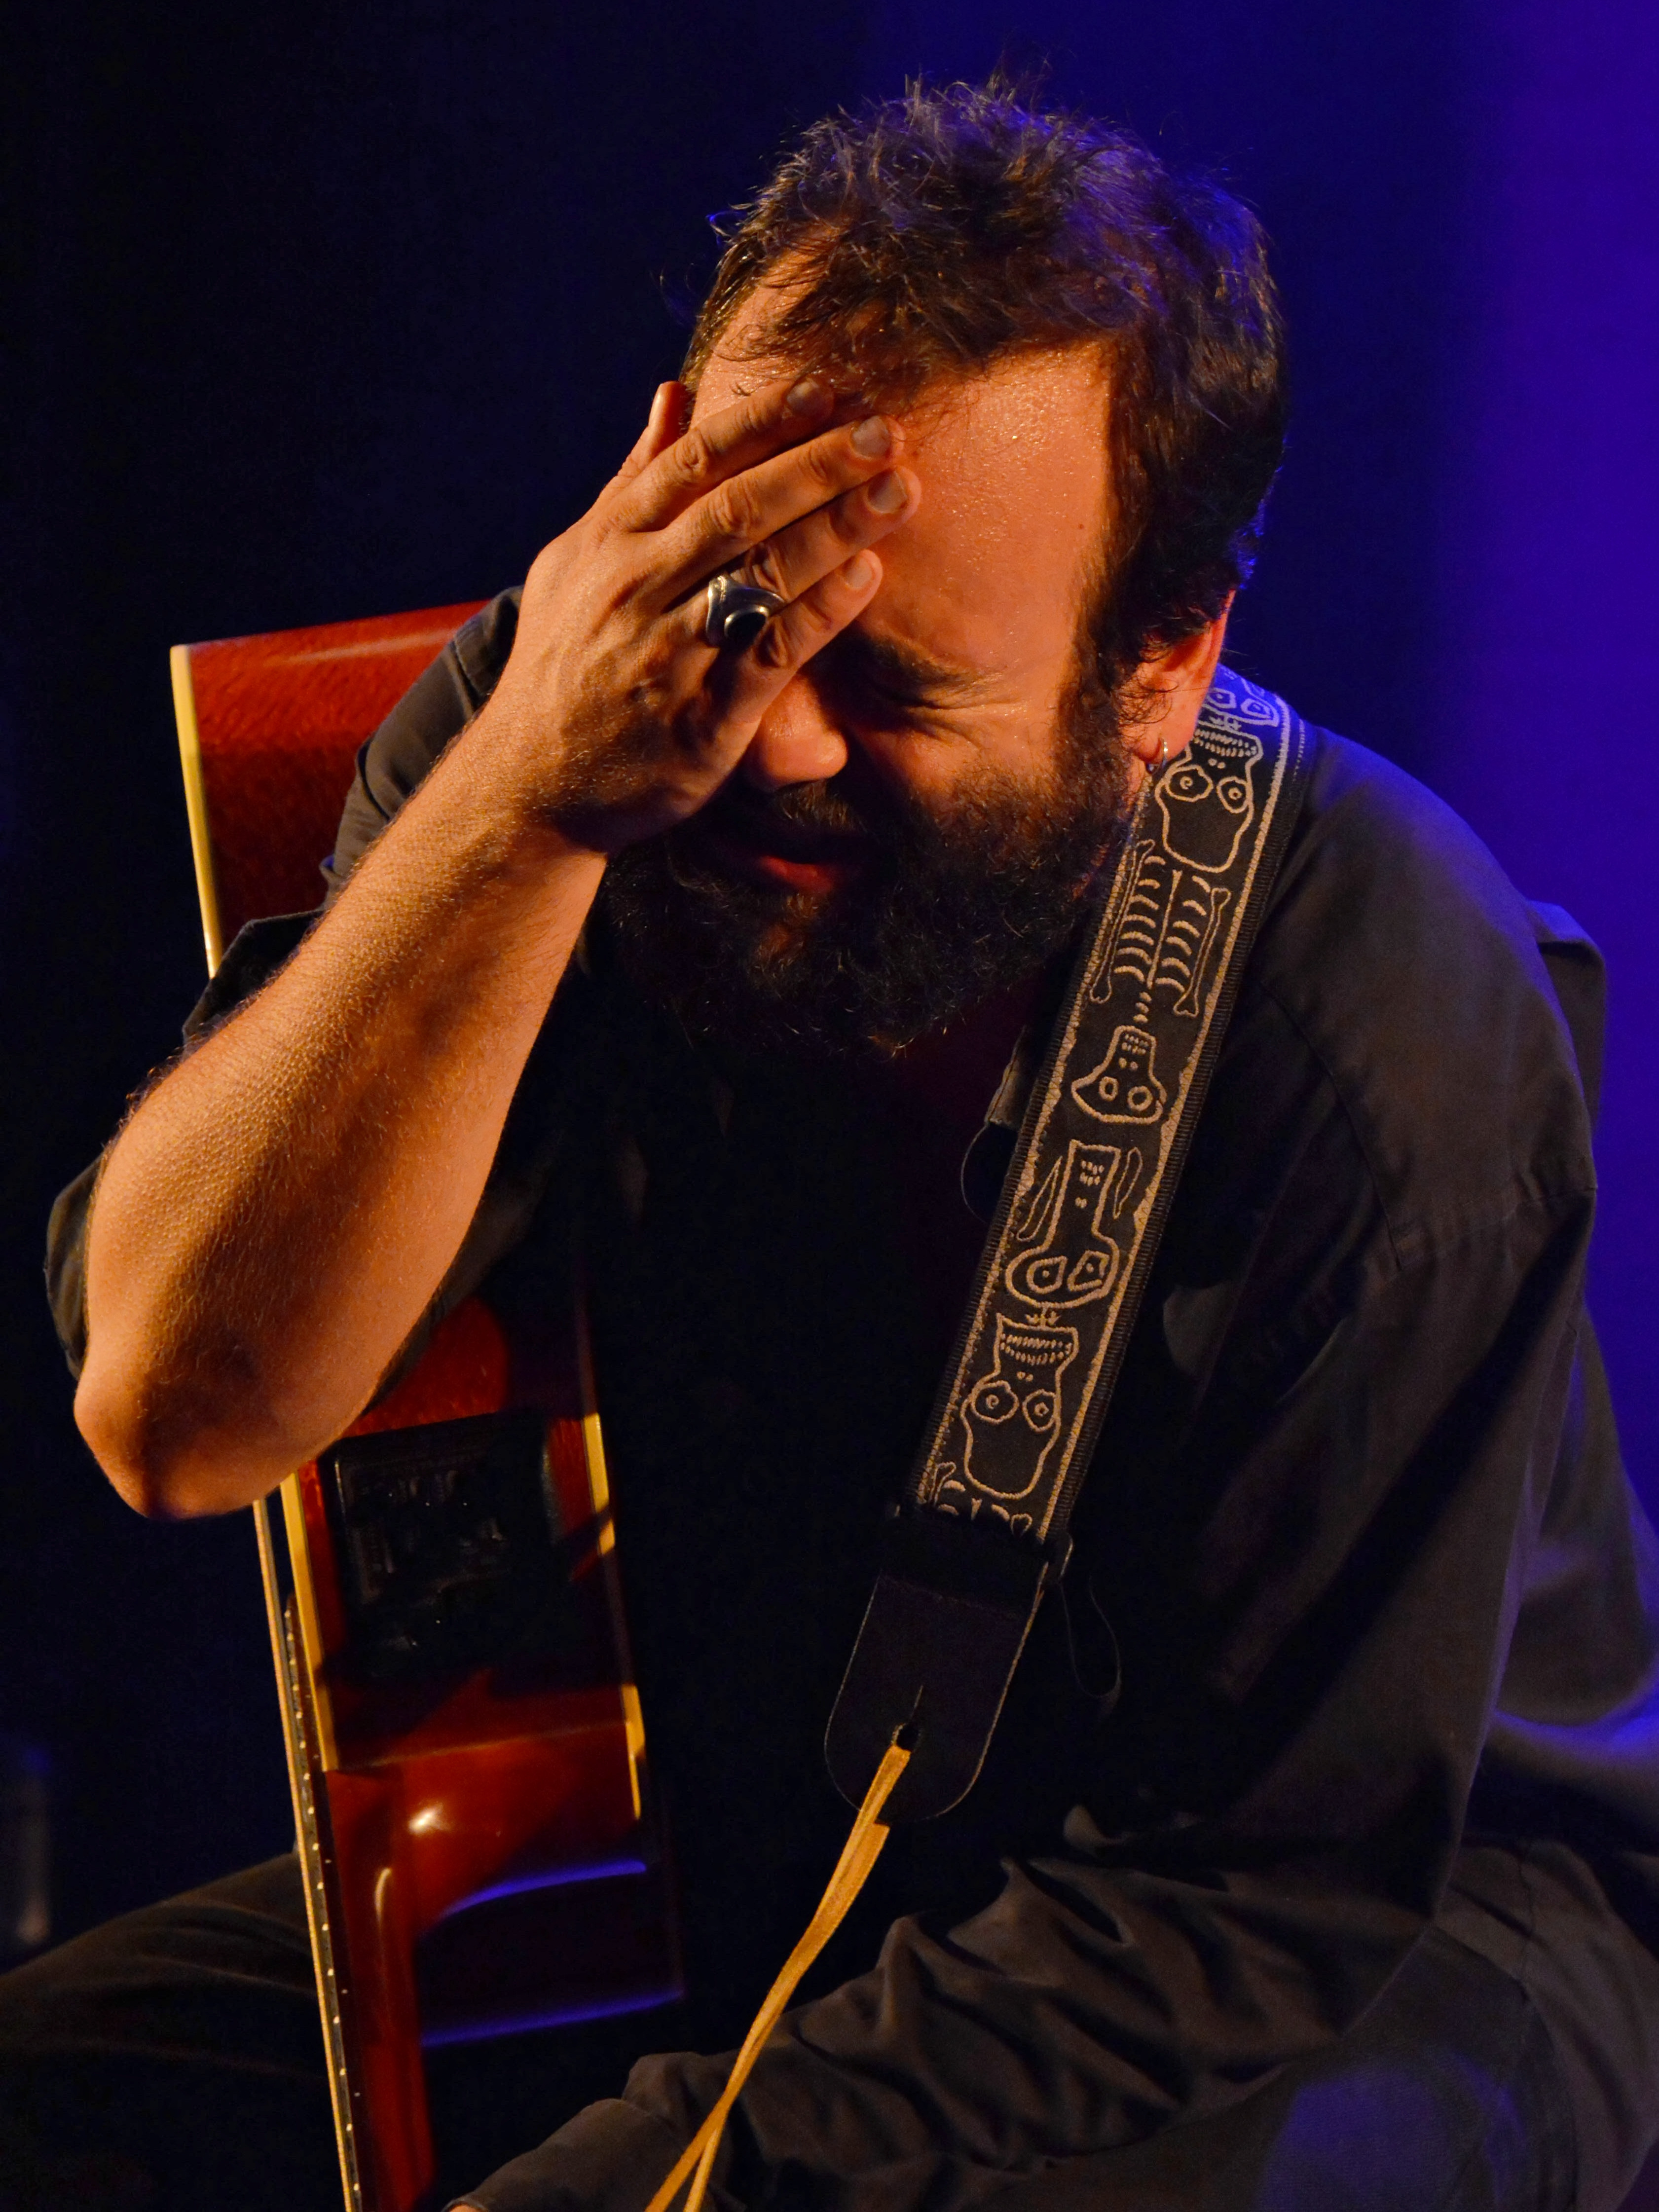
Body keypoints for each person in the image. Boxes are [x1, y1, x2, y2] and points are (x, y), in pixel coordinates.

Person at [15, 81, 1659, 2212]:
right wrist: (518, 810)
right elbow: (173, 1409)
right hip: (751, 1846)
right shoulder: (557, 737)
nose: (769, 733)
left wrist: (673, 2166)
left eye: (890, 688)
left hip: (1353, 1942)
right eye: (741, 603)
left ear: (1160, 671)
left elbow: (1246, 1898)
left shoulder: (1375, 1010)